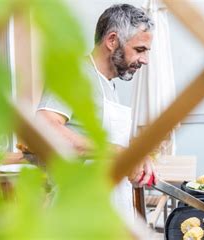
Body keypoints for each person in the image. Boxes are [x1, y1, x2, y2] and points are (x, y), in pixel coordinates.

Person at [36, 4, 156, 220]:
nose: (145, 60)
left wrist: (135, 158)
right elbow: (45, 127)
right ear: (112, 40)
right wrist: (121, 153)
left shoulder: (108, 84)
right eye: (139, 50)